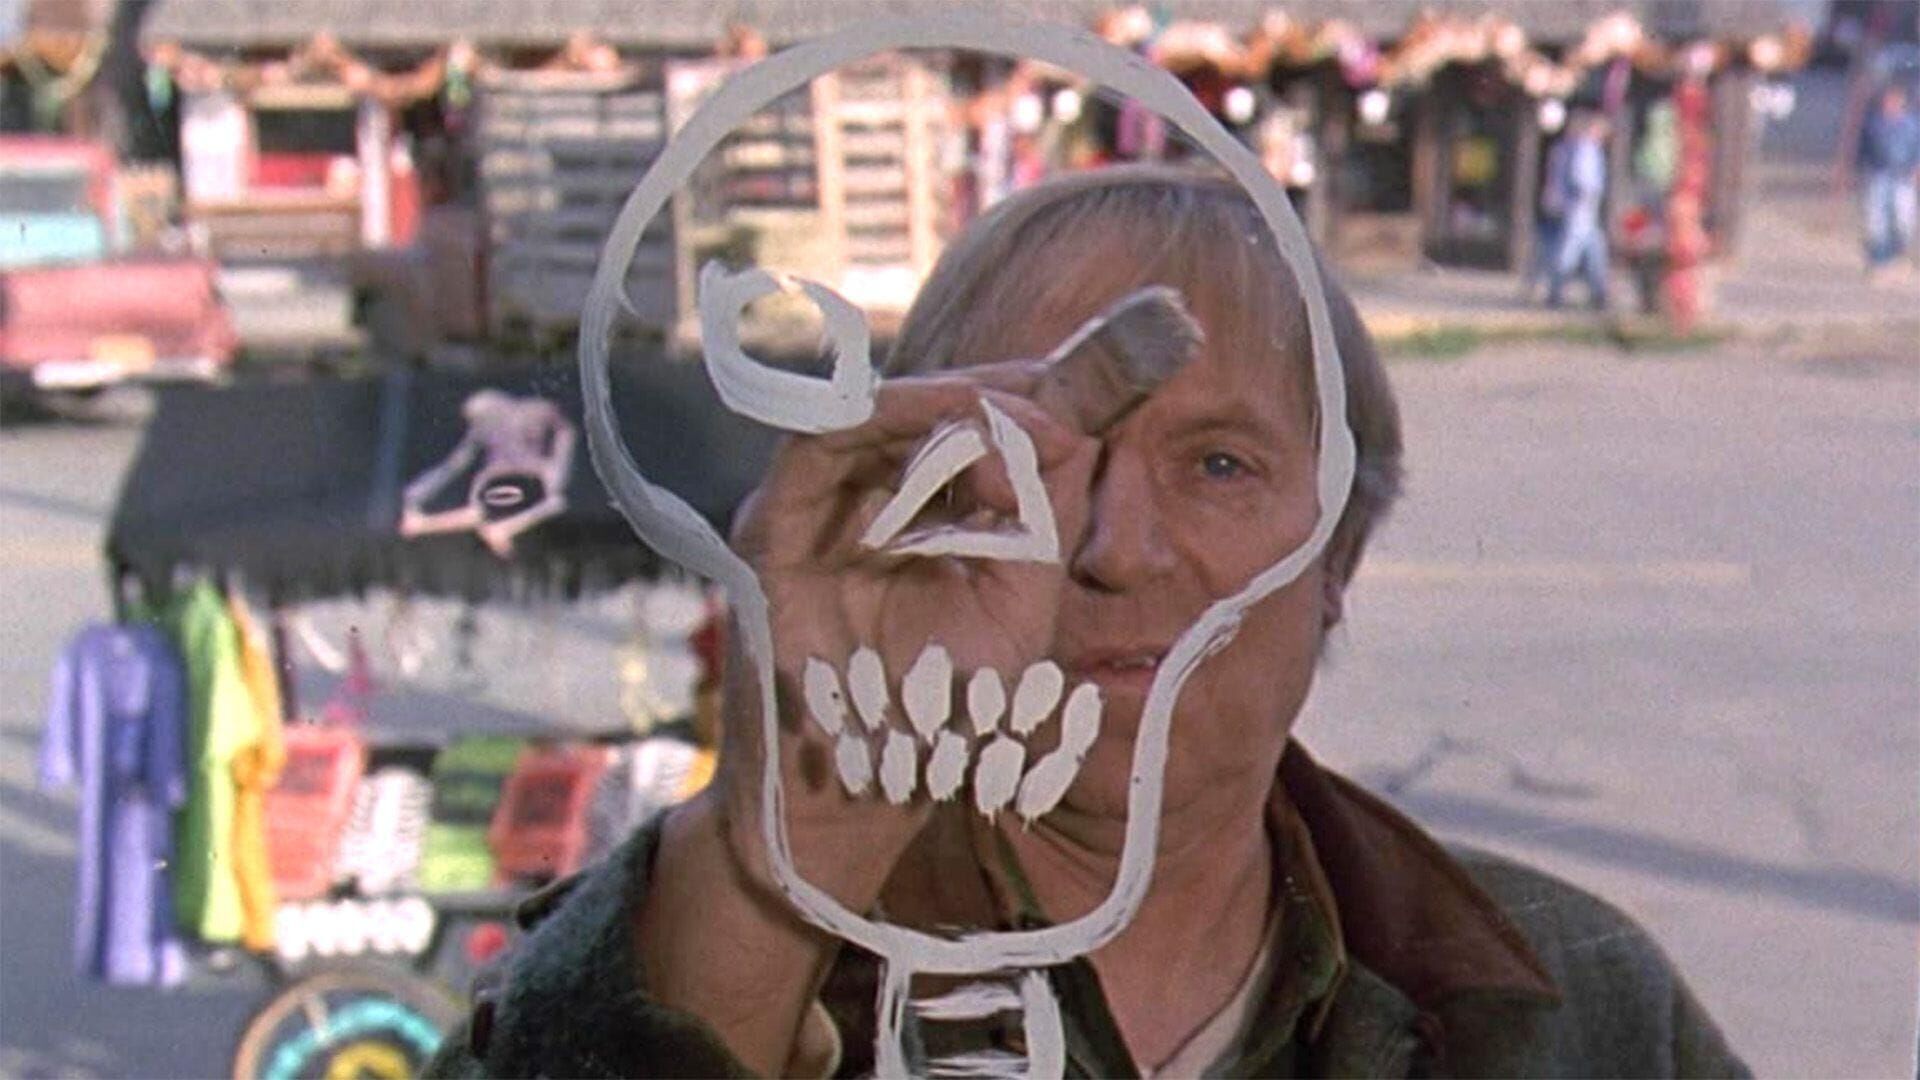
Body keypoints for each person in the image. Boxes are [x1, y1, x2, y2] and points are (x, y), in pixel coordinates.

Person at [426, 166, 1747, 1078]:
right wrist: (777, 866)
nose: (1116, 550)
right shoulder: (714, 946)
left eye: (1218, 465)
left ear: (1337, 559)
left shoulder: (1568, 1009)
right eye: (1036, 456)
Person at [1544, 112, 1614, 311]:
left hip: (1580, 208)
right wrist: (1586, 197)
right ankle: (1556, 291)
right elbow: (1582, 179)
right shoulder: (1585, 148)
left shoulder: (1570, 148)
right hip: (1581, 207)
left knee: (1595, 250)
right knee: (1570, 250)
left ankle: (1599, 292)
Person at [1855, 85, 1920, 281]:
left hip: (1903, 176)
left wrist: (1916, 169)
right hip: (1879, 175)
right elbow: (1864, 150)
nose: (1891, 106)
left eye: (1895, 102)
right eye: (1888, 102)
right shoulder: (1874, 125)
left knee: (1903, 218)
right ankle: (1879, 260)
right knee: (1877, 220)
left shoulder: (1912, 125)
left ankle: (1897, 256)